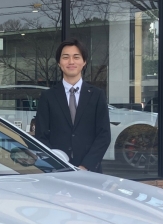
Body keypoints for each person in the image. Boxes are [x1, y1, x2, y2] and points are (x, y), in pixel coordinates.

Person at [35, 39, 111, 172]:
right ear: (59, 63)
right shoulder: (48, 97)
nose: (71, 62)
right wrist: (56, 163)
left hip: (90, 171)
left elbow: (104, 135)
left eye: (76, 57)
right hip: (57, 171)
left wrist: (86, 166)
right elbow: (41, 136)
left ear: (84, 61)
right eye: (66, 57)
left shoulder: (97, 95)